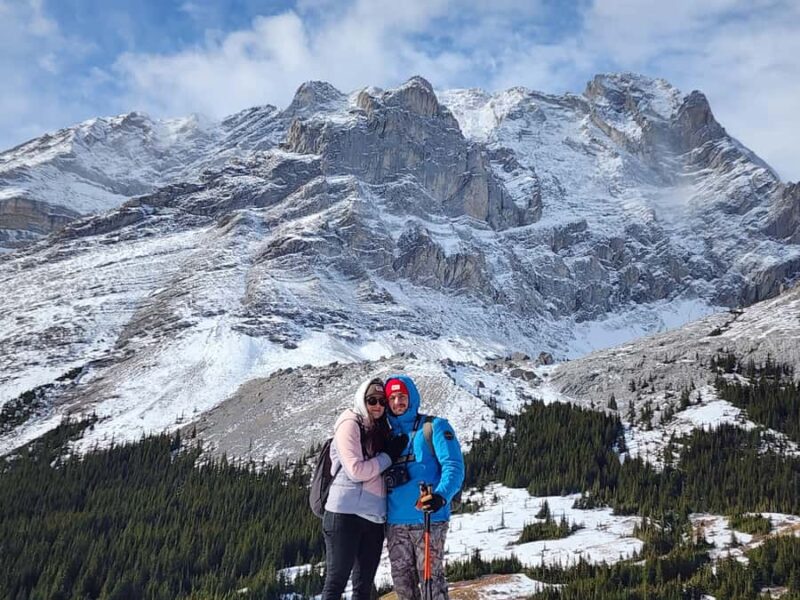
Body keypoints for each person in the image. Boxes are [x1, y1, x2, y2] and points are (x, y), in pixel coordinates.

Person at [321, 377, 409, 600]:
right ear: (362, 400)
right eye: (372, 400)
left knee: (364, 587)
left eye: (382, 401)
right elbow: (355, 471)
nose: (378, 406)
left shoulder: (381, 428)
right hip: (345, 513)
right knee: (336, 582)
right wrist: (388, 456)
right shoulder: (350, 424)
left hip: (374, 517)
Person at [383, 375, 464, 600]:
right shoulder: (387, 436)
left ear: (412, 398)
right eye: (392, 398)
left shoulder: (434, 427)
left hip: (429, 519)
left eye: (402, 397)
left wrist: (441, 495)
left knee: (431, 583)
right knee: (402, 585)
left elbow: (454, 466)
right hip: (395, 523)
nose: (398, 402)